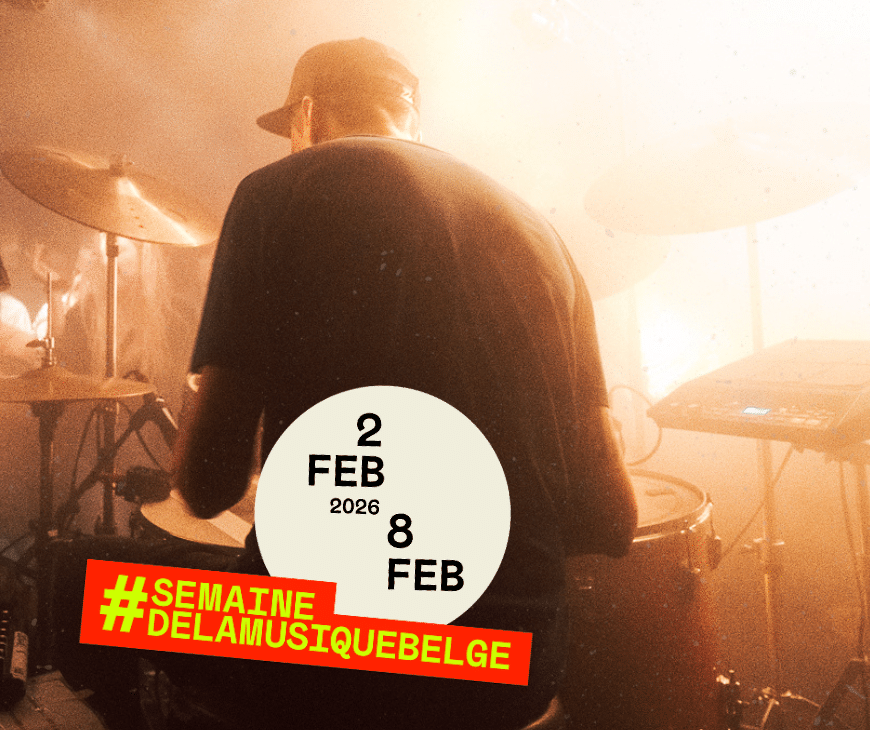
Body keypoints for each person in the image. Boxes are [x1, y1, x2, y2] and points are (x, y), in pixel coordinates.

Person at [171, 37, 637, 730]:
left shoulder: (277, 190)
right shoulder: (540, 232)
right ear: (412, 115)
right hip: (517, 664)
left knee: (97, 587)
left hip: (339, 657)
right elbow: (612, 520)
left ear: (306, 116)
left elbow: (208, 486)